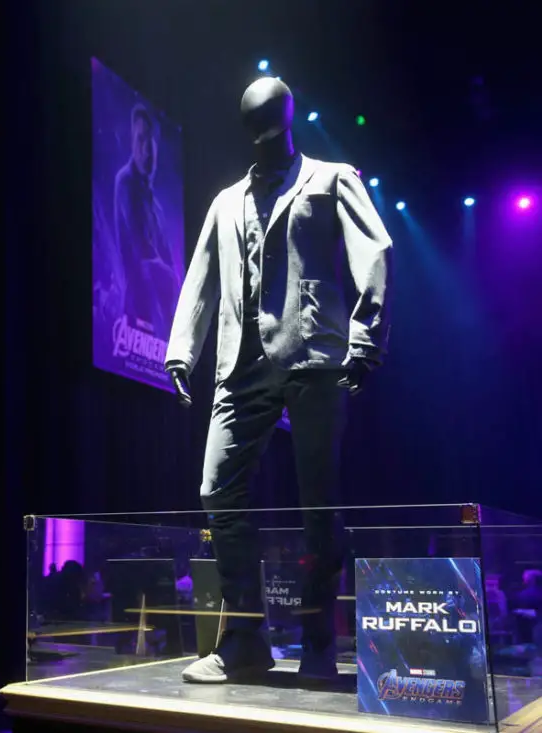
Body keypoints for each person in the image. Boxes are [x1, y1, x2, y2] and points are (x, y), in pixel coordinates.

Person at [165, 77, 392, 683]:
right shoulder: (225, 202)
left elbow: (374, 251)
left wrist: (366, 337)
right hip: (240, 364)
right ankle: (244, 639)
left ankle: (319, 642)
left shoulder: (331, 178)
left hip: (313, 352)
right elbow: (200, 278)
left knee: (319, 504)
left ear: (288, 116)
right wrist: (181, 351)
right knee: (217, 489)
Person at [114, 104, 178, 334]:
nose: (146, 150)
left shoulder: (155, 205)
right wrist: (172, 279)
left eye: (150, 140)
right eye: (140, 139)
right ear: (132, 142)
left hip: (155, 316)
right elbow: (142, 249)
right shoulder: (126, 182)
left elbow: (166, 254)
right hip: (137, 314)